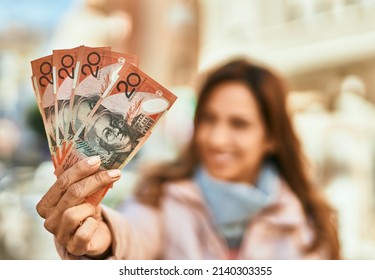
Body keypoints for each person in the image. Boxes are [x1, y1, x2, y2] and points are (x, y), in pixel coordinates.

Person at [36, 58, 340, 259]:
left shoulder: (310, 225)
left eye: (239, 124)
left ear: (272, 137)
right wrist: (104, 240)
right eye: (208, 118)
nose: (216, 138)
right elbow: (133, 234)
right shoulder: (159, 195)